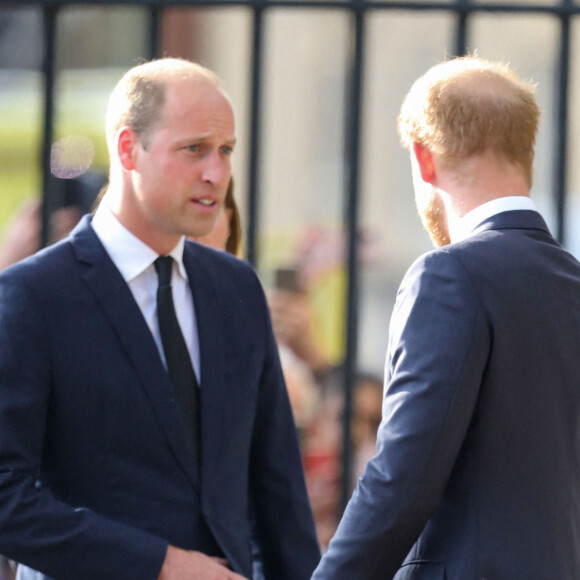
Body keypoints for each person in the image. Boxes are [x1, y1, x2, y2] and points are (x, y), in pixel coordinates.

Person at [0, 57, 320, 580]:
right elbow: (5, 495)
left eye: (225, 151)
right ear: (128, 149)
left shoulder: (235, 288)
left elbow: (278, 494)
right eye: (194, 149)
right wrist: (160, 564)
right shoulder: (33, 296)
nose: (216, 172)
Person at [311, 56, 580, 579]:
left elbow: (403, 476)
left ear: (423, 160)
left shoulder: (449, 275)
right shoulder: (572, 281)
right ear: (524, 152)